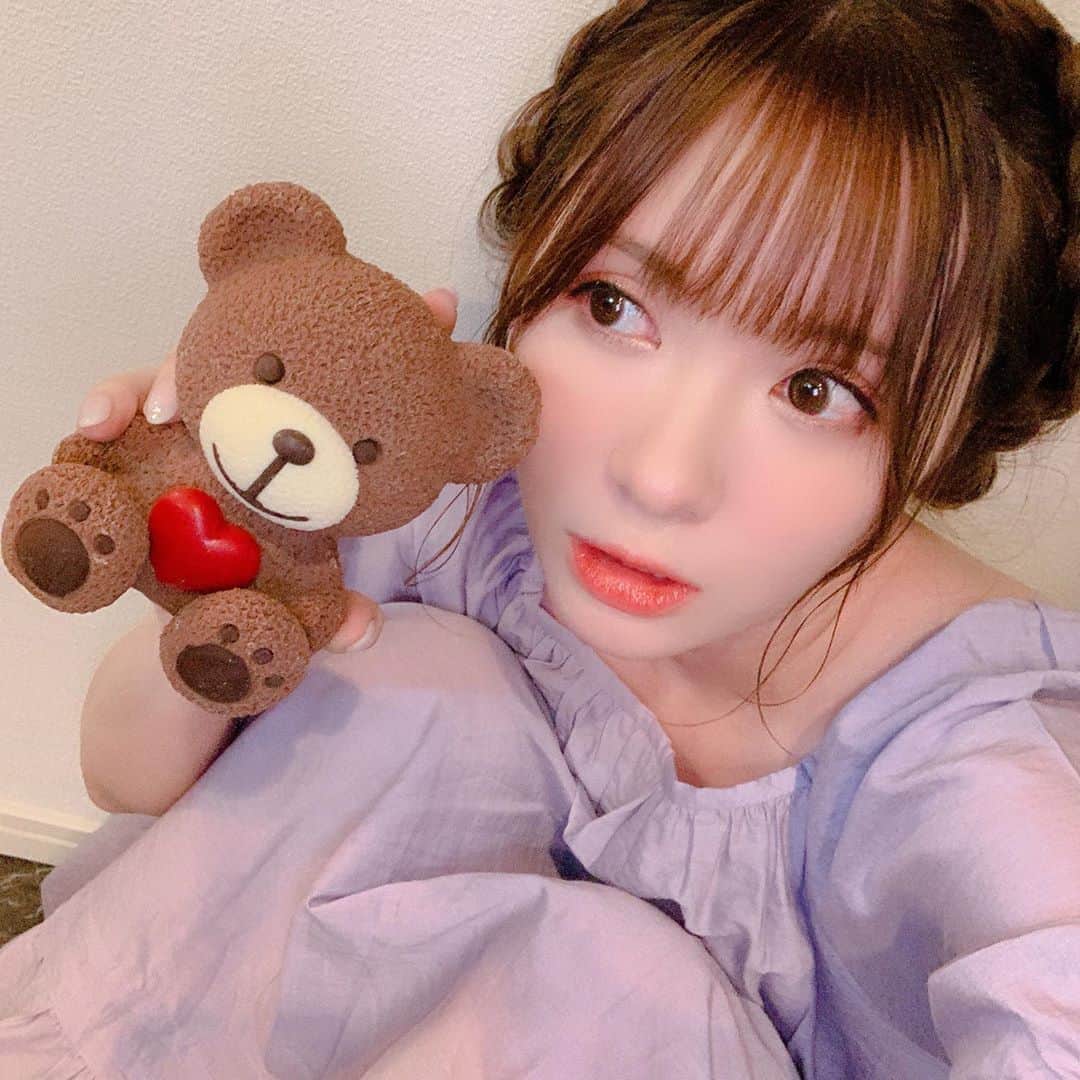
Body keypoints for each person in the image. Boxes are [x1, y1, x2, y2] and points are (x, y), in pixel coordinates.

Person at [3, 0, 1079, 1075]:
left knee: (615, 982)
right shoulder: (458, 501)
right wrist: (214, 543)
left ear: (957, 430)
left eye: (817, 390)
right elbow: (128, 780)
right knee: (419, 685)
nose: (660, 477)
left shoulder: (982, 766)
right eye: (612, 306)